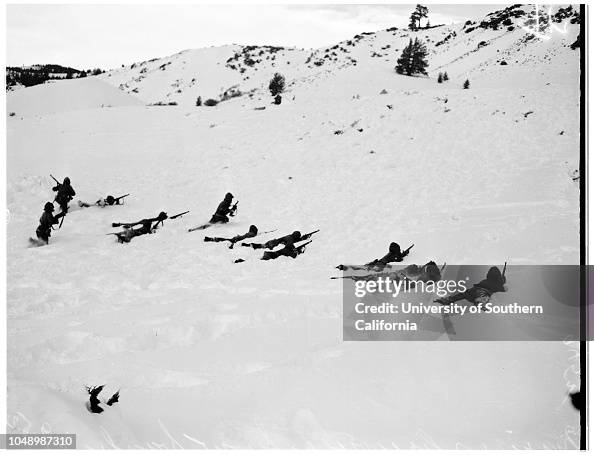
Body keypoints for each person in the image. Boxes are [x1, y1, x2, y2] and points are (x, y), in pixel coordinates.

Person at [435, 266, 506, 306]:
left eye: (489, 272)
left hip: (480, 291)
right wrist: (502, 282)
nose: (487, 273)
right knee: (463, 294)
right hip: (475, 290)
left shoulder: (496, 284)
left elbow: (503, 288)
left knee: (482, 295)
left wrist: (502, 283)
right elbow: (503, 288)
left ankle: (480, 301)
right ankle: (449, 300)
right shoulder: (493, 282)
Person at [336, 242, 412, 271]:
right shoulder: (394, 255)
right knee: (362, 270)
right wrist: (405, 253)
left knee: (361, 268)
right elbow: (399, 259)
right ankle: (344, 267)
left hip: (377, 263)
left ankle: (344, 267)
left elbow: (397, 257)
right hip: (379, 265)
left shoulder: (391, 253)